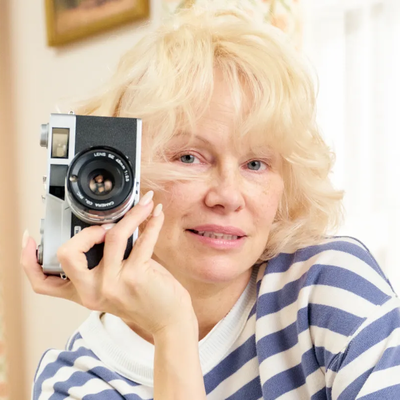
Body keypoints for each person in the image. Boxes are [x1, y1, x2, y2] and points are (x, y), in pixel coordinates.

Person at [20, 4, 400, 400]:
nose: (228, 196)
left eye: (256, 164)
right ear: (127, 170)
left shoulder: (330, 286)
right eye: (189, 158)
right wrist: (173, 329)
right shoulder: (72, 382)